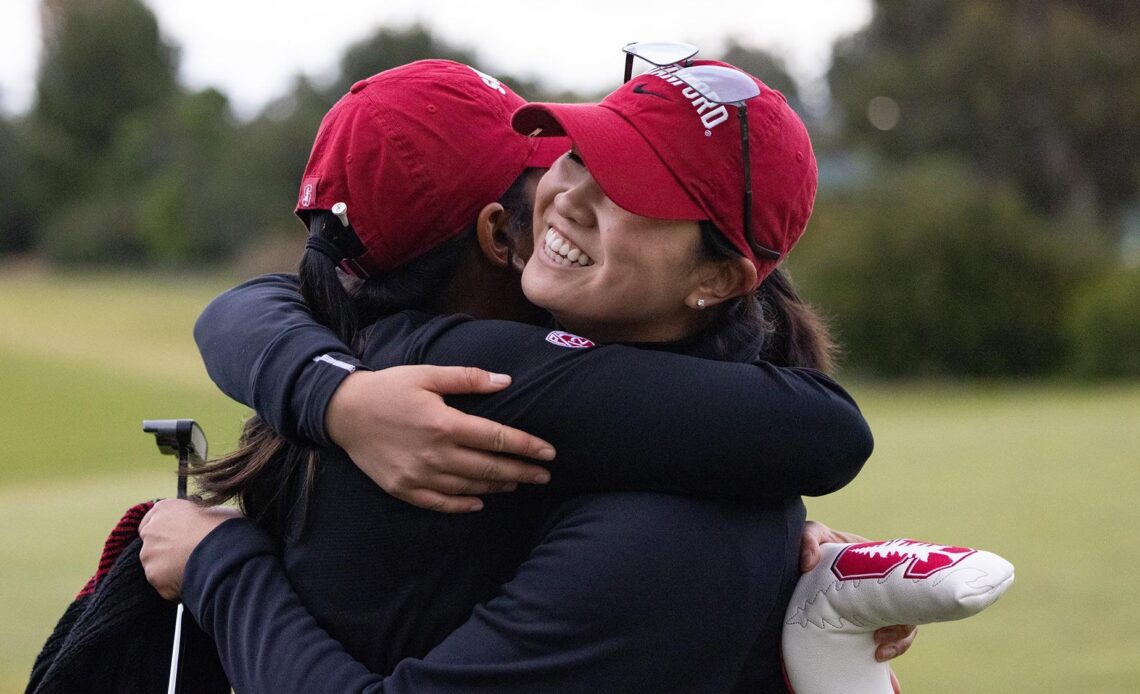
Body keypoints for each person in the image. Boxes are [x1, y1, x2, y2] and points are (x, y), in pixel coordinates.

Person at [141, 58, 913, 692]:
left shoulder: (699, 502)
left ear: (718, 280)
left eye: (628, 189)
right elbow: (823, 430)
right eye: (579, 155)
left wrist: (790, 580)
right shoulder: (467, 373)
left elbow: (815, 433)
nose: (568, 196)